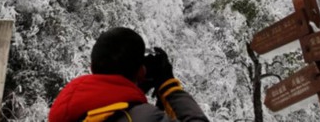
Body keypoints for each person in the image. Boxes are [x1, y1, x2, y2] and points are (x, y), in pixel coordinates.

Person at [49, 27, 210, 122]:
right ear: (141, 71)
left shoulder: (67, 112)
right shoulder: (144, 117)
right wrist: (168, 86)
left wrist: (130, 97)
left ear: (92, 68)